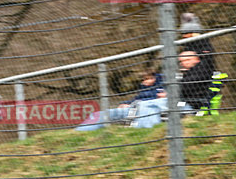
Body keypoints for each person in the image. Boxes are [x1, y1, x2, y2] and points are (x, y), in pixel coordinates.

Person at [77, 53, 210, 130]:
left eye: (187, 60)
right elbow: (138, 98)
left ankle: (139, 135)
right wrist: (126, 103)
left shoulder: (171, 79)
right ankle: (77, 135)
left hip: (157, 109)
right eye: (181, 61)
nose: (183, 63)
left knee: (148, 108)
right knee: (101, 114)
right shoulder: (149, 86)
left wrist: (169, 94)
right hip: (137, 108)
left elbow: (207, 62)